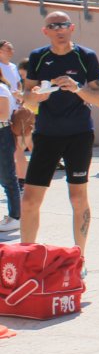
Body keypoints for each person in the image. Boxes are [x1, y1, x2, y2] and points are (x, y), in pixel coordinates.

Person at [20, 11, 99, 257]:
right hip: (46, 135)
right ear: (45, 31)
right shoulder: (38, 57)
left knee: (78, 198)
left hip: (79, 135)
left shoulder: (86, 56)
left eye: (64, 25)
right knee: (29, 201)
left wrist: (77, 88)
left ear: (71, 28)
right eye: (53, 26)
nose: (59, 29)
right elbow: (27, 98)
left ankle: (80, 258)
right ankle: (26, 259)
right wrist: (37, 96)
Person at [0, 40, 28, 187]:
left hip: (14, 113)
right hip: (2, 114)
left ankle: (21, 180)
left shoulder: (13, 67)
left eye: (12, 48)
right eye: (8, 49)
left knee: (17, 148)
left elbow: (18, 85)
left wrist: (20, 98)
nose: (12, 51)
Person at [0, 69, 21, 233]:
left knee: (8, 178)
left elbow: (3, 115)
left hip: (2, 134)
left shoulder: (1, 89)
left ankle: (16, 217)